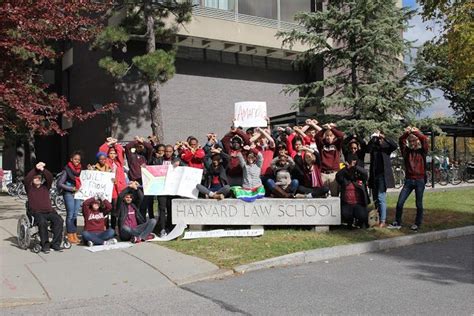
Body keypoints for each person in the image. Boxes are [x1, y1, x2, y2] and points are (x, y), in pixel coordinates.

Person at [389, 127, 428, 231]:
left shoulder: (422, 151)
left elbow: (424, 139)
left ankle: (417, 224)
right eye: (410, 141)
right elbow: (401, 140)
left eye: (414, 140)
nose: (412, 143)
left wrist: (416, 132)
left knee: (418, 203)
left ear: (417, 141)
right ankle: (397, 222)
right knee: (400, 202)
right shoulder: (406, 152)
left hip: (420, 180)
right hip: (409, 180)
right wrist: (407, 133)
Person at [24, 162, 64, 253]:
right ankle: (45, 245)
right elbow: (27, 179)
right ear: (32, 180)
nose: (37, 179)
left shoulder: (45, 187)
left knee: (59, 220)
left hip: (49, 211)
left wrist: (43, 170)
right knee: (42, 222)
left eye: (39, 178)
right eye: (35, 178)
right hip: (36, 212)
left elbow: (50, 177)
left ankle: (55, 244)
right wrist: (35, 169)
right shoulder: (29, 188)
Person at [149, 144, 181, 237]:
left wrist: (179, 163)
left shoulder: (176, 159)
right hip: (161, 188)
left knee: (171, 208)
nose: (167, 153)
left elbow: (184, 167)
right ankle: (162, 229)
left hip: (172, 189)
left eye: (170, 151)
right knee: (162, 208)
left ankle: (170, 227)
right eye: (166, 151)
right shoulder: (159, 160)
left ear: (172, 152)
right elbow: (151, 165)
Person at [367, 130, 397, 228]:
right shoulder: (374, 146)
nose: (379, 139)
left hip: (383, 176)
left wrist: (384, 138)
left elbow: (394, 145)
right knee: (375, 198)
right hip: (374, 175)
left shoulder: (386, 147)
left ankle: (383, 220)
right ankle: (377, 218)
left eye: (380, 138)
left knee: (381, 197)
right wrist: (373, 138)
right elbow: (368, 148)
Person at [99, 137, 127, 231]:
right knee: (107, 208)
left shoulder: (119, 162)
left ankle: (114, 228)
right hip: (109, 188)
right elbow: (101, 150)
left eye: (114, 153)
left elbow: (120, 151)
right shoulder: (106, 161)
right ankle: (106, 227)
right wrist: (108, 143)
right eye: (110, 153)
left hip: (119, 187)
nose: (112, 155)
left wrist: (115, 143)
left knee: (116, 209)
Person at [336, 154, 370, 228]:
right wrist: (346, 168)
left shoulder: (360, 176)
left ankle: (360, 221)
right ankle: (349, 221)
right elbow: (338, 176)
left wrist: (355, 167)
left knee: (362, 215)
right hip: (347, 204)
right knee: (346, 214)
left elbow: (365, 173)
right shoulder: (344, 178)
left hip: (358, 204)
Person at [57, 151, 83, 244]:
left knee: (75, 214)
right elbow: (60, 183)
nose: (77, 161)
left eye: (79, 160)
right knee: (70, 214)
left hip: (78, 194)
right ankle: (69, 234)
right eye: (75, 159)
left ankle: (74, 233)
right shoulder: (67, 170)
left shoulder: (80, 170)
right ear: (71, 159)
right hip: (69, 193)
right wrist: (71, 188)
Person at [315, 123, 345, 196]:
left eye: (331, 136)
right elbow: (316, 137)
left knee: (334, 195)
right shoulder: (321, 144)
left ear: (334, 137)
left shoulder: (337, 144)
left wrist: (331, 128)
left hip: (334, 173)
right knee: (322, 195)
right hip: (323, 173)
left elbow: (341, 136)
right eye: (327, 136)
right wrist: (324, 129)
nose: (329, 137)